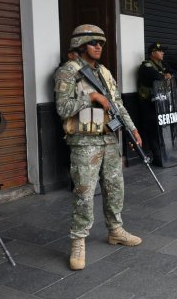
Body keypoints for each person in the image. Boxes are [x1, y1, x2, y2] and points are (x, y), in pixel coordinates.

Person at [54, 24, 142, 271]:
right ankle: (78, 241)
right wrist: (90, 98)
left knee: (115, 187)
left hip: (110, 137)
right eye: (94, 43)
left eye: (101, 43)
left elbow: (118, 105)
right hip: (84, 141)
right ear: (80, 45)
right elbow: (62, 108)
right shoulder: (68, 72)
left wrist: (132, 129)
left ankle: (115, 230)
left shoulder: (104, 72)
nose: (99, 47)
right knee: (84, 193)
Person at [138, 41, 176, 160]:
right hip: (149, 102)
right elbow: (156, 76)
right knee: (152, 128)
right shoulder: (146, 66)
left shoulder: (162, 63)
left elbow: (174, 72)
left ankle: (165, 153)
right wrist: (166, 75)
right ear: (153, 53)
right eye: (160, 51)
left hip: (161, 100)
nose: (163, 53)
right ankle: (157, 156)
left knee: (162, 127)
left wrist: (169, 74)